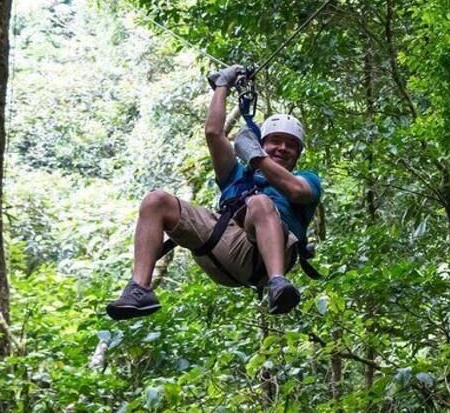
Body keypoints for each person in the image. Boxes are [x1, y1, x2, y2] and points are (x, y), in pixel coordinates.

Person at [106, 65, 322, 319]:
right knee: (156, 201)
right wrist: (223, 85)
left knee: (260, 202)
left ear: (298, 154)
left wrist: (256, 157)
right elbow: (213, 133)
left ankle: (278, 283)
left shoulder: (306, 178)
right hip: (222, 244)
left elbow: (296, 191)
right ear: (263, 142)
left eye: (291, 145)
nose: (282, 148)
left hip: (266, 258)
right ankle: (139, 288)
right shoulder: (238, 176)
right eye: (275, 141)